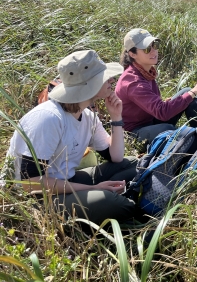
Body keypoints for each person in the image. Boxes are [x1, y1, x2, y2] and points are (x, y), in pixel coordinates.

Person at [7, 50, 138, 225]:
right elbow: (30, 184)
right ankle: (134, 210)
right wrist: (92, 188)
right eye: (105, 78)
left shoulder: (88, 117)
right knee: (107, 201)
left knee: (133, 165)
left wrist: (116, 118)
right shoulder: (49, 118)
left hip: (66, 182)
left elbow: (116, 157)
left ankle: (127, 204)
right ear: (88, 85)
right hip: (39, 198)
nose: (112, 81)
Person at [115, 28, 197, 144]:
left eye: (154, 45)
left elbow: (158, 109)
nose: (153, 51)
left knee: (187, 94)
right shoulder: (132, 81)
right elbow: (162, 112)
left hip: (151, 120)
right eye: (147, 49)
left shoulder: (145, 71)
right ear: (132, 54)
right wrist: (194, 91)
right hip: (135, 133)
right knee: (168, 129)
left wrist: (188, 95)